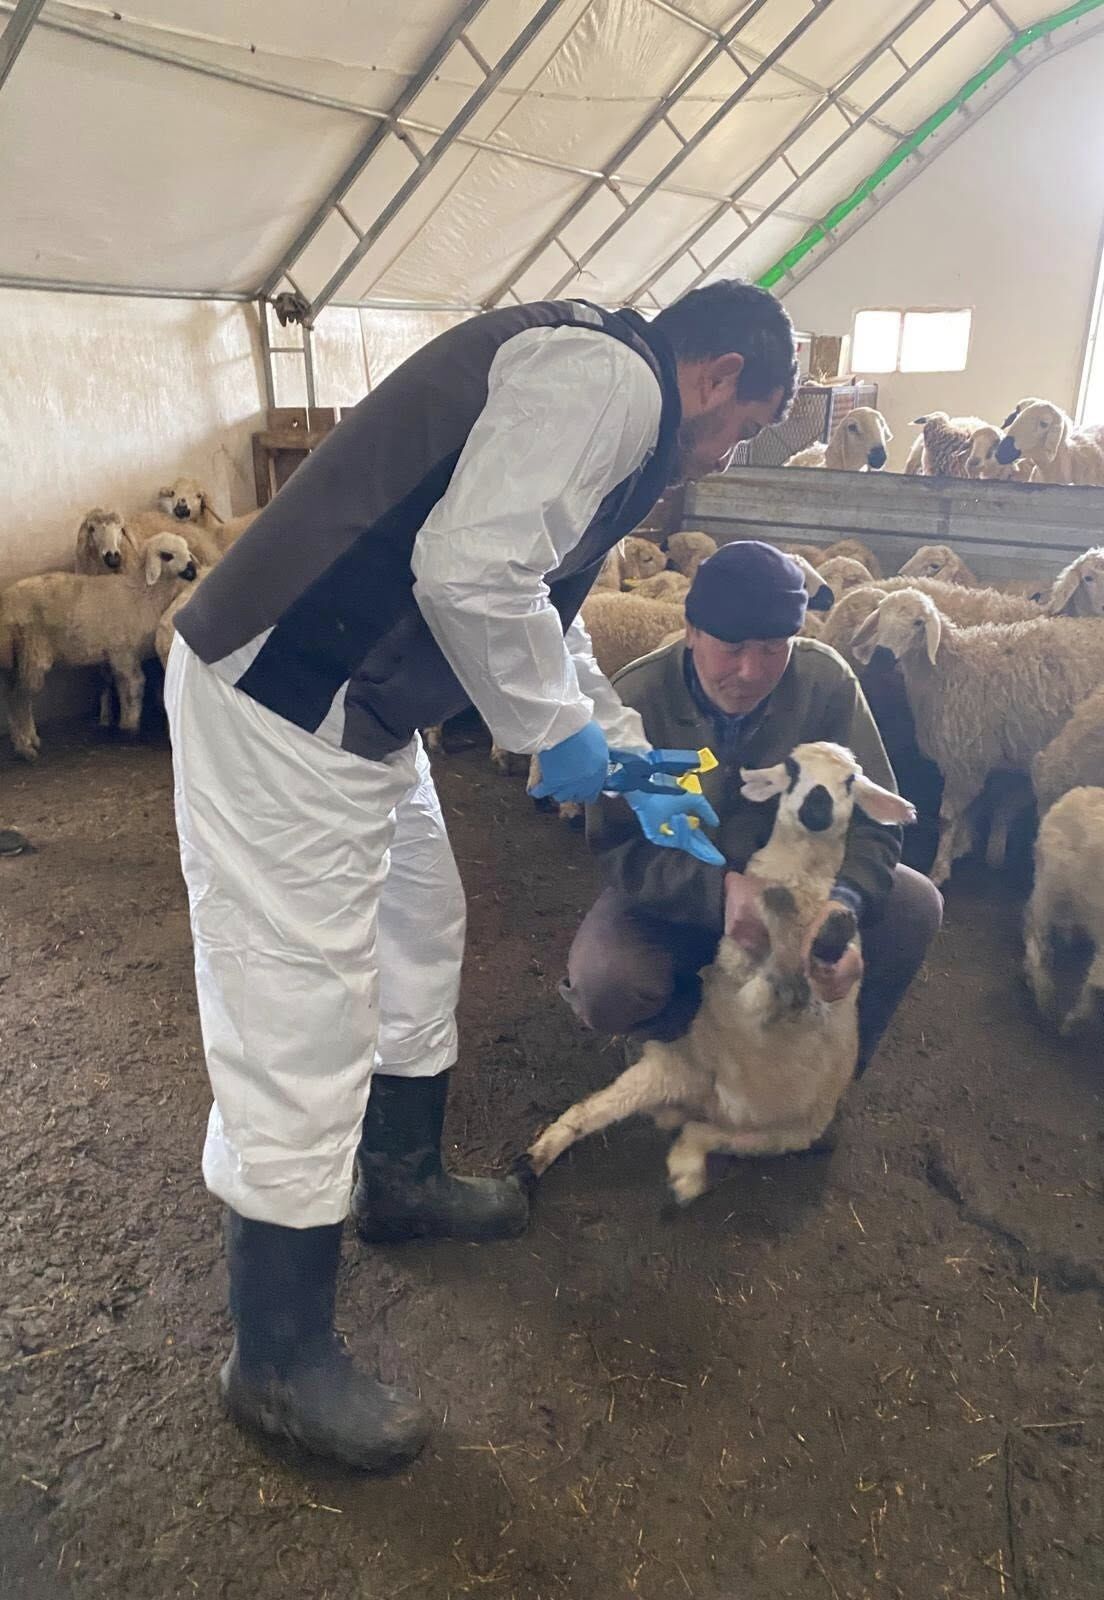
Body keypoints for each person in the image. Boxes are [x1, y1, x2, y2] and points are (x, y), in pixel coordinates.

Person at [163, 281, 799, 1471]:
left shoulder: (609, 395)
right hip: (285, 700)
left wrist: (618, 741)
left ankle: (398, 1177)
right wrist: (552, 739)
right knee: (299, 1003)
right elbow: (467, 571)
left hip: (363, 710)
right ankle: (278, 1354)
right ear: (715, 378)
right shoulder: (612, 385)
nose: (727, 446)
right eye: (745, 422)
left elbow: (539, 607)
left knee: (418, 926)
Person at [563, 540, 944, 1070]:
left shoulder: (825, 682)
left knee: (915, 902)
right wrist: (719, 891)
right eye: (731, 647)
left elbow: (871, 818)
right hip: (680, 889)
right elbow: (620, 842)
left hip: (800, 886)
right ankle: (688, 1041)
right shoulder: (638, 699)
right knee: (606, 980)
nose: (751, 671)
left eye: (772, 648)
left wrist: (841, 910)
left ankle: (828, 1069)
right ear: (692, 631)